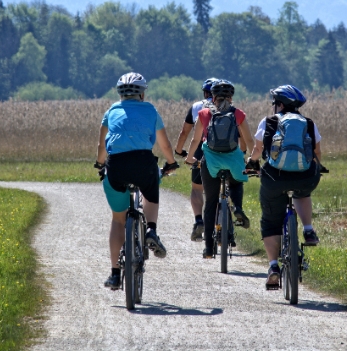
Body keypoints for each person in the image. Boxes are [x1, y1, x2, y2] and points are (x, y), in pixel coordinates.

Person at [95, 72, 179, 290]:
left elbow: (101, 147)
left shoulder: (111, 111)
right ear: (142, 93)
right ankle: (151, 229)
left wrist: (99, 164)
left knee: (117, 220)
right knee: (151, 189)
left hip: (116, 167)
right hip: (143, 163)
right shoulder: (150, 110)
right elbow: (166, 145)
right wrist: (171, 163)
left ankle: (114, 273)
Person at [246, 85, 323, 288]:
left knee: (270, 221)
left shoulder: (269, 122)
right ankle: (308, 229)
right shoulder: (308, 123)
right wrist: (315, 169)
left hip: (274, 178)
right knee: (302, 193)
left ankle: (273, 267)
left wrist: (252, 163)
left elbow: (258, 148)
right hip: (304, 177)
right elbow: (317, 153)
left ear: (280, 104)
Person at [185, 79, 253, 258]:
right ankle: (237, 207)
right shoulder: (238, 114)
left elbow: (195, 140)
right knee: (237, 182)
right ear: (231, 97)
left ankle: (208, 248)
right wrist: (252, 158)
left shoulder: (204, 113)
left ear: (212, 96)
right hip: (233, 161)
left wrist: (190, 157)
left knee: (210, 204)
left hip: (211, 163)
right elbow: (249, 140)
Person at [174, 78, 218, 242]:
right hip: (225, 152)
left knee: (197, 188)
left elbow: (185, 132)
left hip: (201, 150)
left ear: (205, 92)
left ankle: (199, 220)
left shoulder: (197, 107)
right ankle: (224, 222)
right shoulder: (229, 107)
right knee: (222, 186)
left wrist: (179, 150)